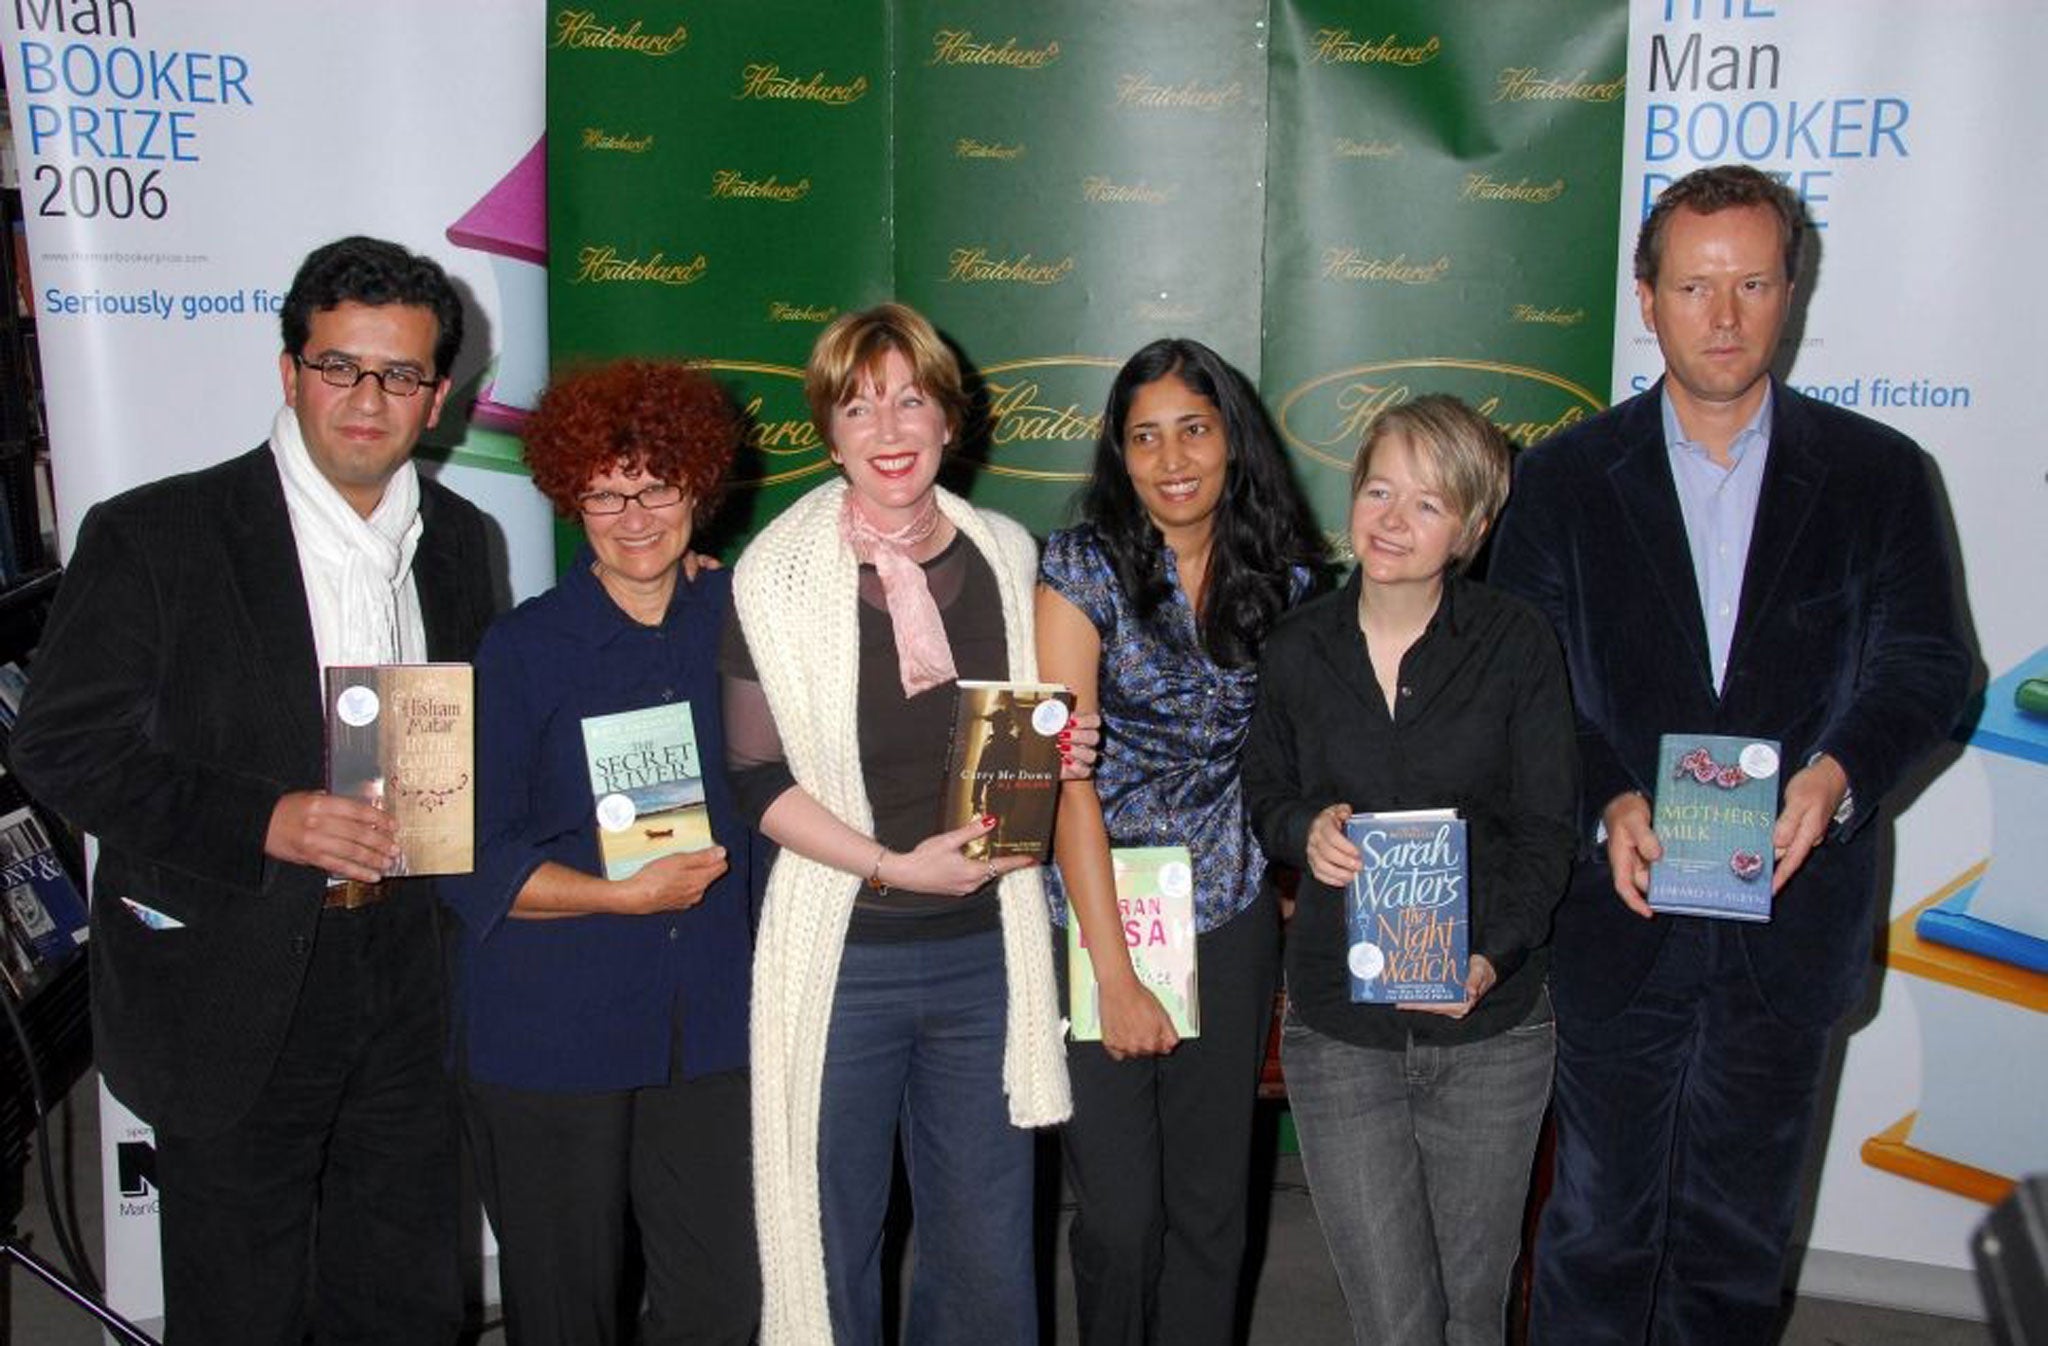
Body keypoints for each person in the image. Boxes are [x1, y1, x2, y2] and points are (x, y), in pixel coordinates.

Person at [1487, 165, 1972, 1344]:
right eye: (1693, 284)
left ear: (1788, 292)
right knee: (1593, 1230)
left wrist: (1835, 775)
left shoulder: (1879, 476)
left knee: (1737, 1243)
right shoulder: (1556, 480)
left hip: (1794, 917)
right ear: (1644, 297)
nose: (1721, 314)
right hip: (1618, 915)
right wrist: (1603, 794)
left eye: (1749, 283)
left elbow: (1930, 670)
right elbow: (1523, 684)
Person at [10, 236, 496, 1344]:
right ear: (290, 372)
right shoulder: (157, 535)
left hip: (408, 976)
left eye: (401, 375)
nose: (367, 398)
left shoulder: (459, 543)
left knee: (407, 1294)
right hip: (232, 975)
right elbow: (61, 745)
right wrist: (263, 818)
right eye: (340, 366)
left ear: (438, 399)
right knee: (243, 1306)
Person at [722, 303, 1083, 1343]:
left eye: (909, 397)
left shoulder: (1011, 555)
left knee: (984, 1251)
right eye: (857, 402)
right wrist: (889, 866)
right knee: (827, 1244)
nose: (887, 425)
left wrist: (1067, 754)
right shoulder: (776, 576)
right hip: (845, 956)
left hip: (985, 959)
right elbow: (754, 779)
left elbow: (1027, 738)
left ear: (947, 418)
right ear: (827, 431)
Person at [1240, 395, 1578, 1344]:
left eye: (1427, 505)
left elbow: (1547, 829)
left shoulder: (1516, 645)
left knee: (1472, 1311)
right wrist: (1303, 829)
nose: (1392, 520)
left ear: (1472, 527)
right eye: (1379, 490)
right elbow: (1263, 789)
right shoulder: (1299, 645)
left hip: (1493, 1032)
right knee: (1392, 1319)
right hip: (1339, 1029)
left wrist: (1492, 956)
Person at [442, 360, 759, 1344]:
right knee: (565, 1306)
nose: (632, 514)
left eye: (656, 484)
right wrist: (610, 894)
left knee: (724, 1300)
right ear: (569, 492)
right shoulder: (523, 647)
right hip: (550, 1026)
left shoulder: (741, 621)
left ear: (699, 488)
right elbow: (462, 854)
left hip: (712, 1024)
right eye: (605, 490)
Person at [1037, 337, 1326, 1344]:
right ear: (1119, 454)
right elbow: (1061, 772)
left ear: (1231, 440)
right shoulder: (1081, 565)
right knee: (1119, 1213)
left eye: (1192, 430)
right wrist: (1113, 970)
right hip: (1095, 915)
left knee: (1213, 1208)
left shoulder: (1285, 578)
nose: (1170, 460)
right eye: (1144, 437)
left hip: (1231, 911)